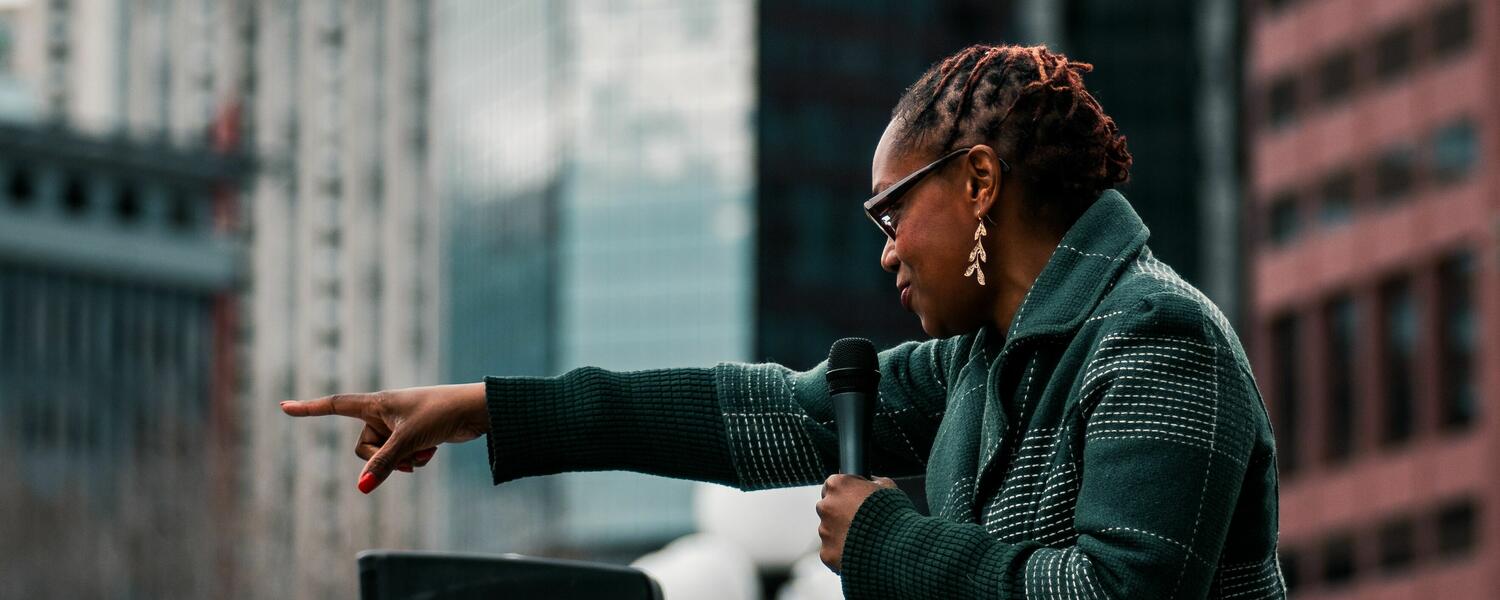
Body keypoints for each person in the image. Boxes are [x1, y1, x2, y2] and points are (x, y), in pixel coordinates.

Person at [282, 43, 1285, 599]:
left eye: (893, 212)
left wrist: (893, 546)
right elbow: (760, 413)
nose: (885, 248)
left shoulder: (1156, 341)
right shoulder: (981, 366)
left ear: (979, 181)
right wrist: (490, 410)